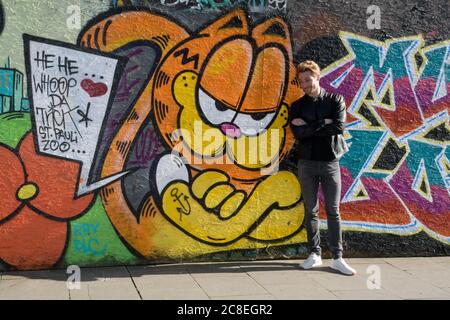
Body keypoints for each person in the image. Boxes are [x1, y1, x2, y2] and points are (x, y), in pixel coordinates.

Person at [290, 60, 356, 275]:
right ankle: (314, 254)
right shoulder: (297, 106)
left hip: (330, 162)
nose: (305, 85)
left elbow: (338, 127)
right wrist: (323, 124)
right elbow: (297, 134)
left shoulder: (335, 100)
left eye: (308, 80)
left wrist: (311, 126)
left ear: (318, 77)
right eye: (302, 82)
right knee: (311, 211)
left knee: (333, 211)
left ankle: (337, 257)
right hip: (306, 163)